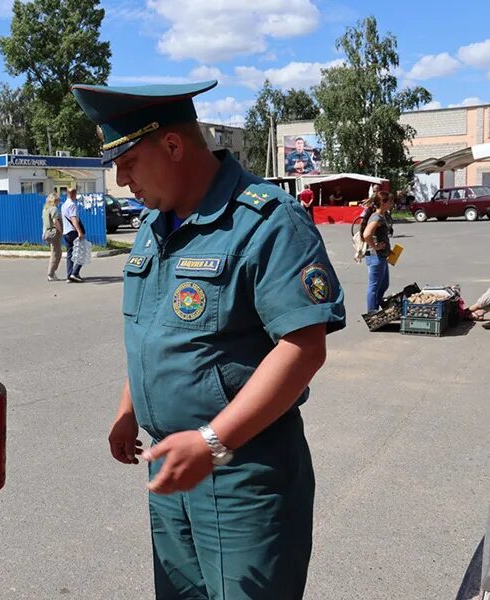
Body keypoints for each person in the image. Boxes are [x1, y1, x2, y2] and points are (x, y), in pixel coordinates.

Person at [72, 80, 345, 599]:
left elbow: (304, 346)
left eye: (127, 161)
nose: (120, 178)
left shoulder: (265, 220)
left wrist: (212, 440)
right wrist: (129, 409)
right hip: (175, 468)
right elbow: (151, 329)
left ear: (173, 146)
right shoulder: (156, 226)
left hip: (243, 473)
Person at [361, 191, 394, 312]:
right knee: (374, 286)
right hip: (375, 257)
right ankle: (372, 313)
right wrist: (374, 246)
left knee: (384, 284)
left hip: (382, 256)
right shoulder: (377, 217)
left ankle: (376, 307)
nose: (392, 204)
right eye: (390, 201)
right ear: (383, 203)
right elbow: (366, 234)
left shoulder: (383, 216)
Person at [61, 187, 86, 283]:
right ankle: (74, 273)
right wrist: (79, 232)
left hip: (66, 232)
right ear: (73, 194)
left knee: (70, 254)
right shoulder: (72, 205)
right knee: (82, 252)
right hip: (72, 232)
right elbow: (74, 219)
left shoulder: (64, 205)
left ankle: (69, 275)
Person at [41, 192, 63, 281]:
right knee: (56, 253)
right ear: (54, 200)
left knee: (56, 251)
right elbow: (55, 221)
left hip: (47, 233)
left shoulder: (45, 209)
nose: (58, 202)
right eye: (57, 200)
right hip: (54, 233)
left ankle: (52, 273)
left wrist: (44, 233)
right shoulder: (54, 209)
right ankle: (51, 273)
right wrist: (61, 230)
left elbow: (45, 223)